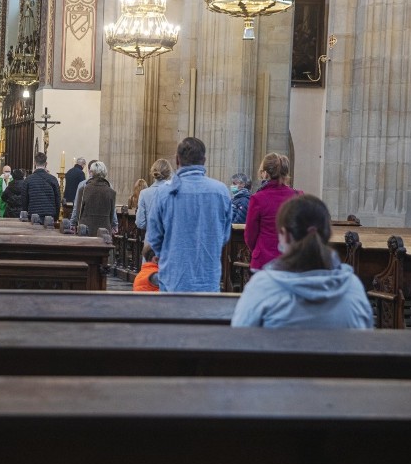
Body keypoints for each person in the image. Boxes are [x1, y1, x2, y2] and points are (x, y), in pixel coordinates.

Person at [232, 195, 373, 329]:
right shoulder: (352, 287)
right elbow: (365, 336)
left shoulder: (263, 286)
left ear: (285, 236)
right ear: (327, 234)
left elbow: (239, 339)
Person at [145, 137, 231, 292]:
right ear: (204, 160)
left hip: (174, 279)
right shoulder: (221, 191)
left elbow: (154, 237)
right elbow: (224, 236)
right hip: (208, 278)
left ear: (177, 160)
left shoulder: (164, 193)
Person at [245, 153, 301, 271]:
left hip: (263, 261)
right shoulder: (297, 196)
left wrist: (258, 250)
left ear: (265, 173)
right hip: (290, 260)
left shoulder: (258, 198)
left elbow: (250, 234)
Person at [70, 159, 118, 233]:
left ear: (91, 172)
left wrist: (73, 223)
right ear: (105, 173)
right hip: (104, 230)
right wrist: (114, 225)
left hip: (85, 229)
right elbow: (112, 213)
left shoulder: (83, 190)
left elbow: (78, 211)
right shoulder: (111, 192)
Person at [21, 152, 60, 223]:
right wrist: (56, 217)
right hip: (50, 216)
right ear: (46, 164)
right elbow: (57, 199)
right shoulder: (53, 179)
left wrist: (26, 214)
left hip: (33, 215)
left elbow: (24, 200)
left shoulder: (28, 180)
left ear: (35, 163)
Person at [136, 159, 173, 231]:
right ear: (169, 173)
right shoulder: (174, 192)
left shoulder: (144, 193)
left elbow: (140, 223)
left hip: (151, 238)